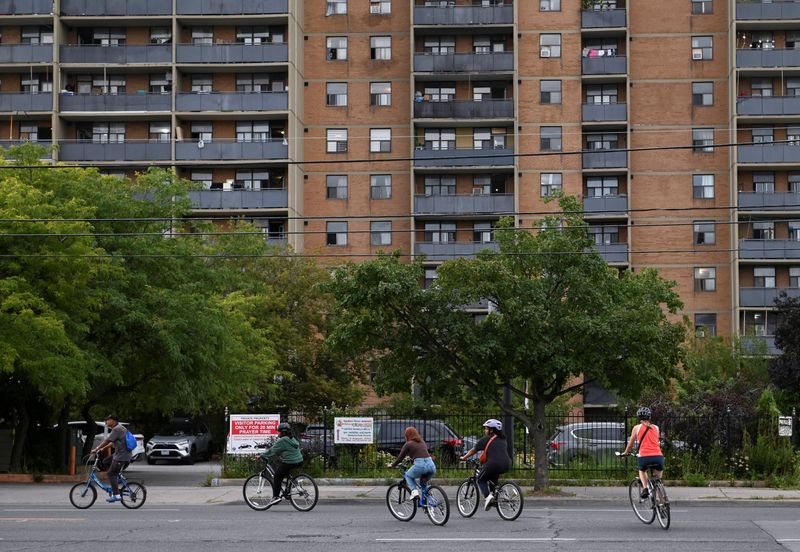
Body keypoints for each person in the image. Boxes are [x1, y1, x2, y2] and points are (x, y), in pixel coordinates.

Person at [460, 419, 512, 510]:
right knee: (492, 479)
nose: (485, 430)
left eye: (486, 428)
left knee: (480, 479)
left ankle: (488, 498)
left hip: (493, 464)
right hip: (506, 464)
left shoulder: (486, 439)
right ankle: (493, 498)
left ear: (491, 430)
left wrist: (464, 457)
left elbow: (473, 450)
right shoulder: (503, 439)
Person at [621, 406, 664, 499]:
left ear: (638, 418)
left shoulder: (637, 428)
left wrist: (625, 453)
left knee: (642, 470)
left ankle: (645, 489)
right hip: (658, 456)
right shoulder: (656, 428)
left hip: (645, 456)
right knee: (658, 480)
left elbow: (630, 445)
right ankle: (662, 502)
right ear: (650, 417)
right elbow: (656, 442)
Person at [260, 422, 304, 507]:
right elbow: (284, 449)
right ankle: (294, 484)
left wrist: (262, 455)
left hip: (290, 461)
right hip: (299, 460)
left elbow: (272, 450)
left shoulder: (283, 440)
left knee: (277, 476)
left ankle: (276, 497)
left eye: (279, 431)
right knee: (284, 470)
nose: (278, 433)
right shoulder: (291, 438)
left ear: (283, 432)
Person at [90, 415, 132, 503]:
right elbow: (113, 442)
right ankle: (117, 480)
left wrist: (96, 448)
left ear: (113, 421)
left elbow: (107, 440)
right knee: (105, 461)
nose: (106, 422)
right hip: (119, 454)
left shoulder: (117, 429)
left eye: (107, 420)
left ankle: (116, 495)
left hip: (121, 456)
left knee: (110, 474)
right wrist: (102, 449)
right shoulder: (121, 428)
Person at [386, 427, 436, 500]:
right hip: (431, 465)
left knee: (408, 476)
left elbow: (400, 458)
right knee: (423, 484)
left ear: (407, 435)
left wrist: (392, 465)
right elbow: (420, 453)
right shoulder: (422, 441)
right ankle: (430, 504)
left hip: (420, 465)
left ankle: (414, 491)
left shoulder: (408, 444)